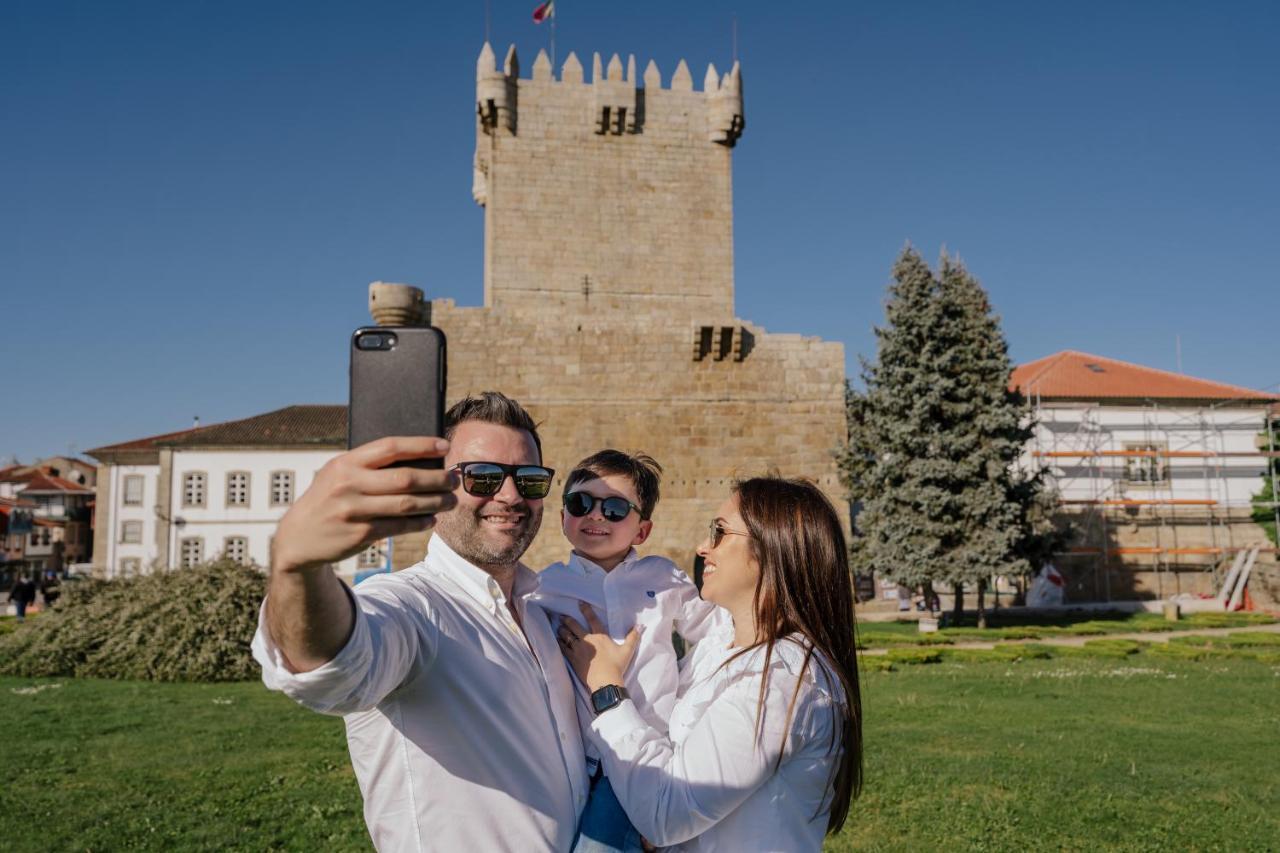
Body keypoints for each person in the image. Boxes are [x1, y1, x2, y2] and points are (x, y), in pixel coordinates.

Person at [252, 391, 588, 851]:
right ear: (437, 488)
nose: (510, 496)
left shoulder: (539, 611)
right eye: (483, 477)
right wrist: (298, 566)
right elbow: (332, 664)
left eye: (528, 480)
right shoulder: (413, 606)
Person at [557, 477, 864, 852]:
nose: (704, 548)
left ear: (771, 550)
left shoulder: (778, 681)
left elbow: (668, 815)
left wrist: (606, 686)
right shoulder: (718, 647)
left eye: (720, 532)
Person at [532, 450, 724, 853]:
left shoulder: (664, 577)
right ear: (563, 516)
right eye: (581, 503)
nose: (596, 516)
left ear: (642, 530)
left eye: (616, 508)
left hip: (647, 753)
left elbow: (714, 631)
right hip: (576, 760)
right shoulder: (543, 589)